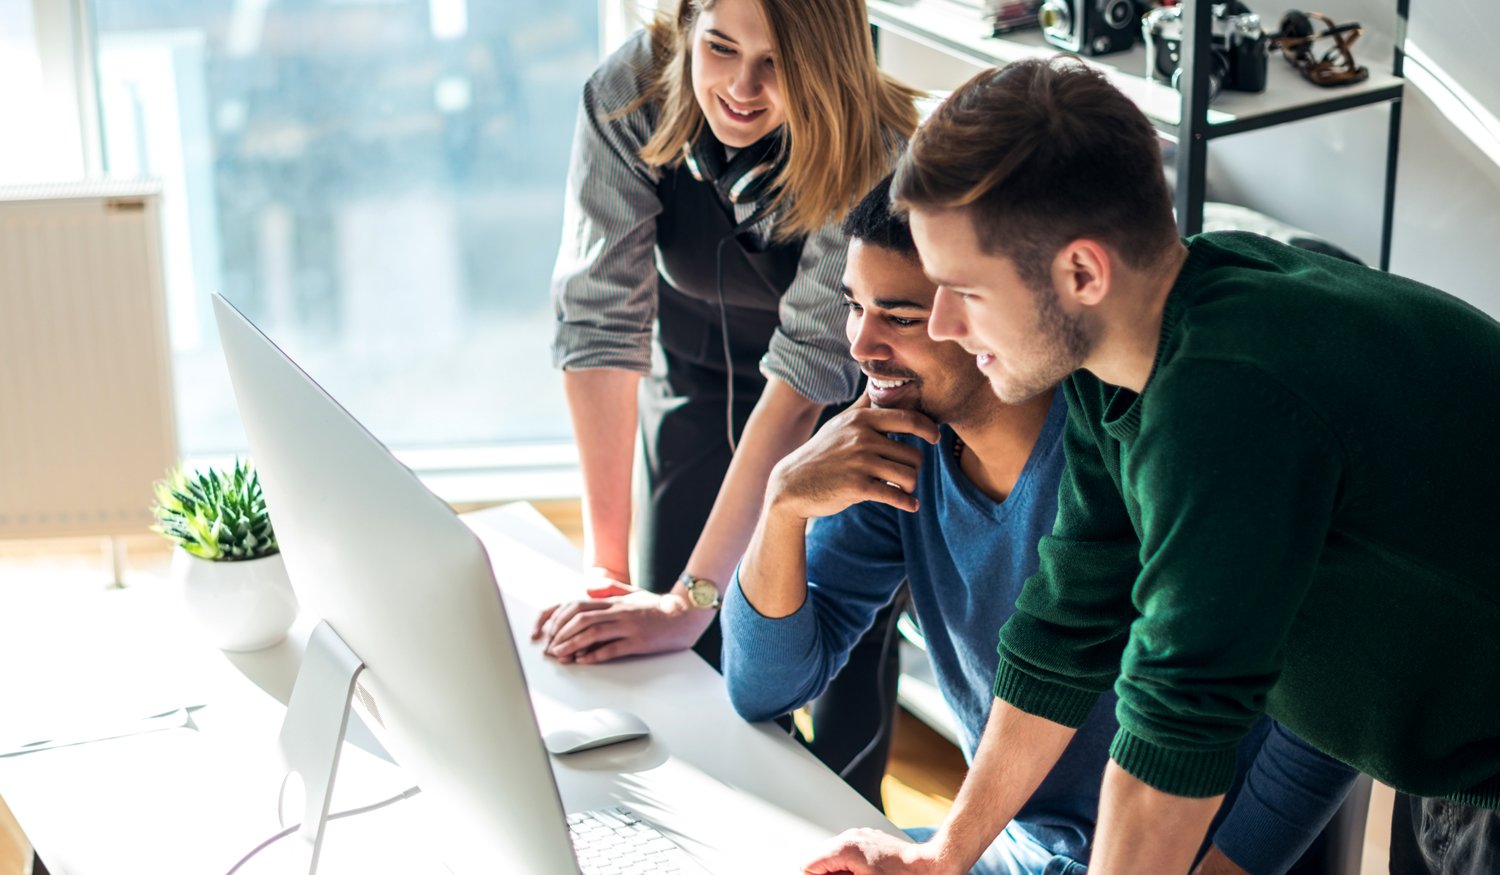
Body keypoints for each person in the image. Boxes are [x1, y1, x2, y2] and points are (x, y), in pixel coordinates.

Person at [807, 58, 1500, 875]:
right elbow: (1065, 629)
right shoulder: (1131, 354)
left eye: (965, 289)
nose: (947, 323)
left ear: (1081, 273)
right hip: (1446, 747)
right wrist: (945, 856)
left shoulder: (1226, 400)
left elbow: (1175, 731)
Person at [728, 176, 1359, 875]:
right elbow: (763, 685)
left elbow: (1328, 705)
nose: (862, 347)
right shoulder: (900, 447)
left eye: (900, 317)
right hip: (1018, 851)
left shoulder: (1141, 446)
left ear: (982, 312)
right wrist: (783, 503)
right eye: (854, 307)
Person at [536, 0, 921, 805]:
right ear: (684, 26)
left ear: (825, 59)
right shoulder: (629, 94)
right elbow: (601, 321)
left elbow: (803, 377)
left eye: (777, 62)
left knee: (831, 635)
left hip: (845, 398)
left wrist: (695, 595)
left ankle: (845, 818)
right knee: (666, 647)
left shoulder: (877, 150)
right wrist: (610, 573)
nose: (741, 87)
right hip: (696, 371)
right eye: (719, 48)